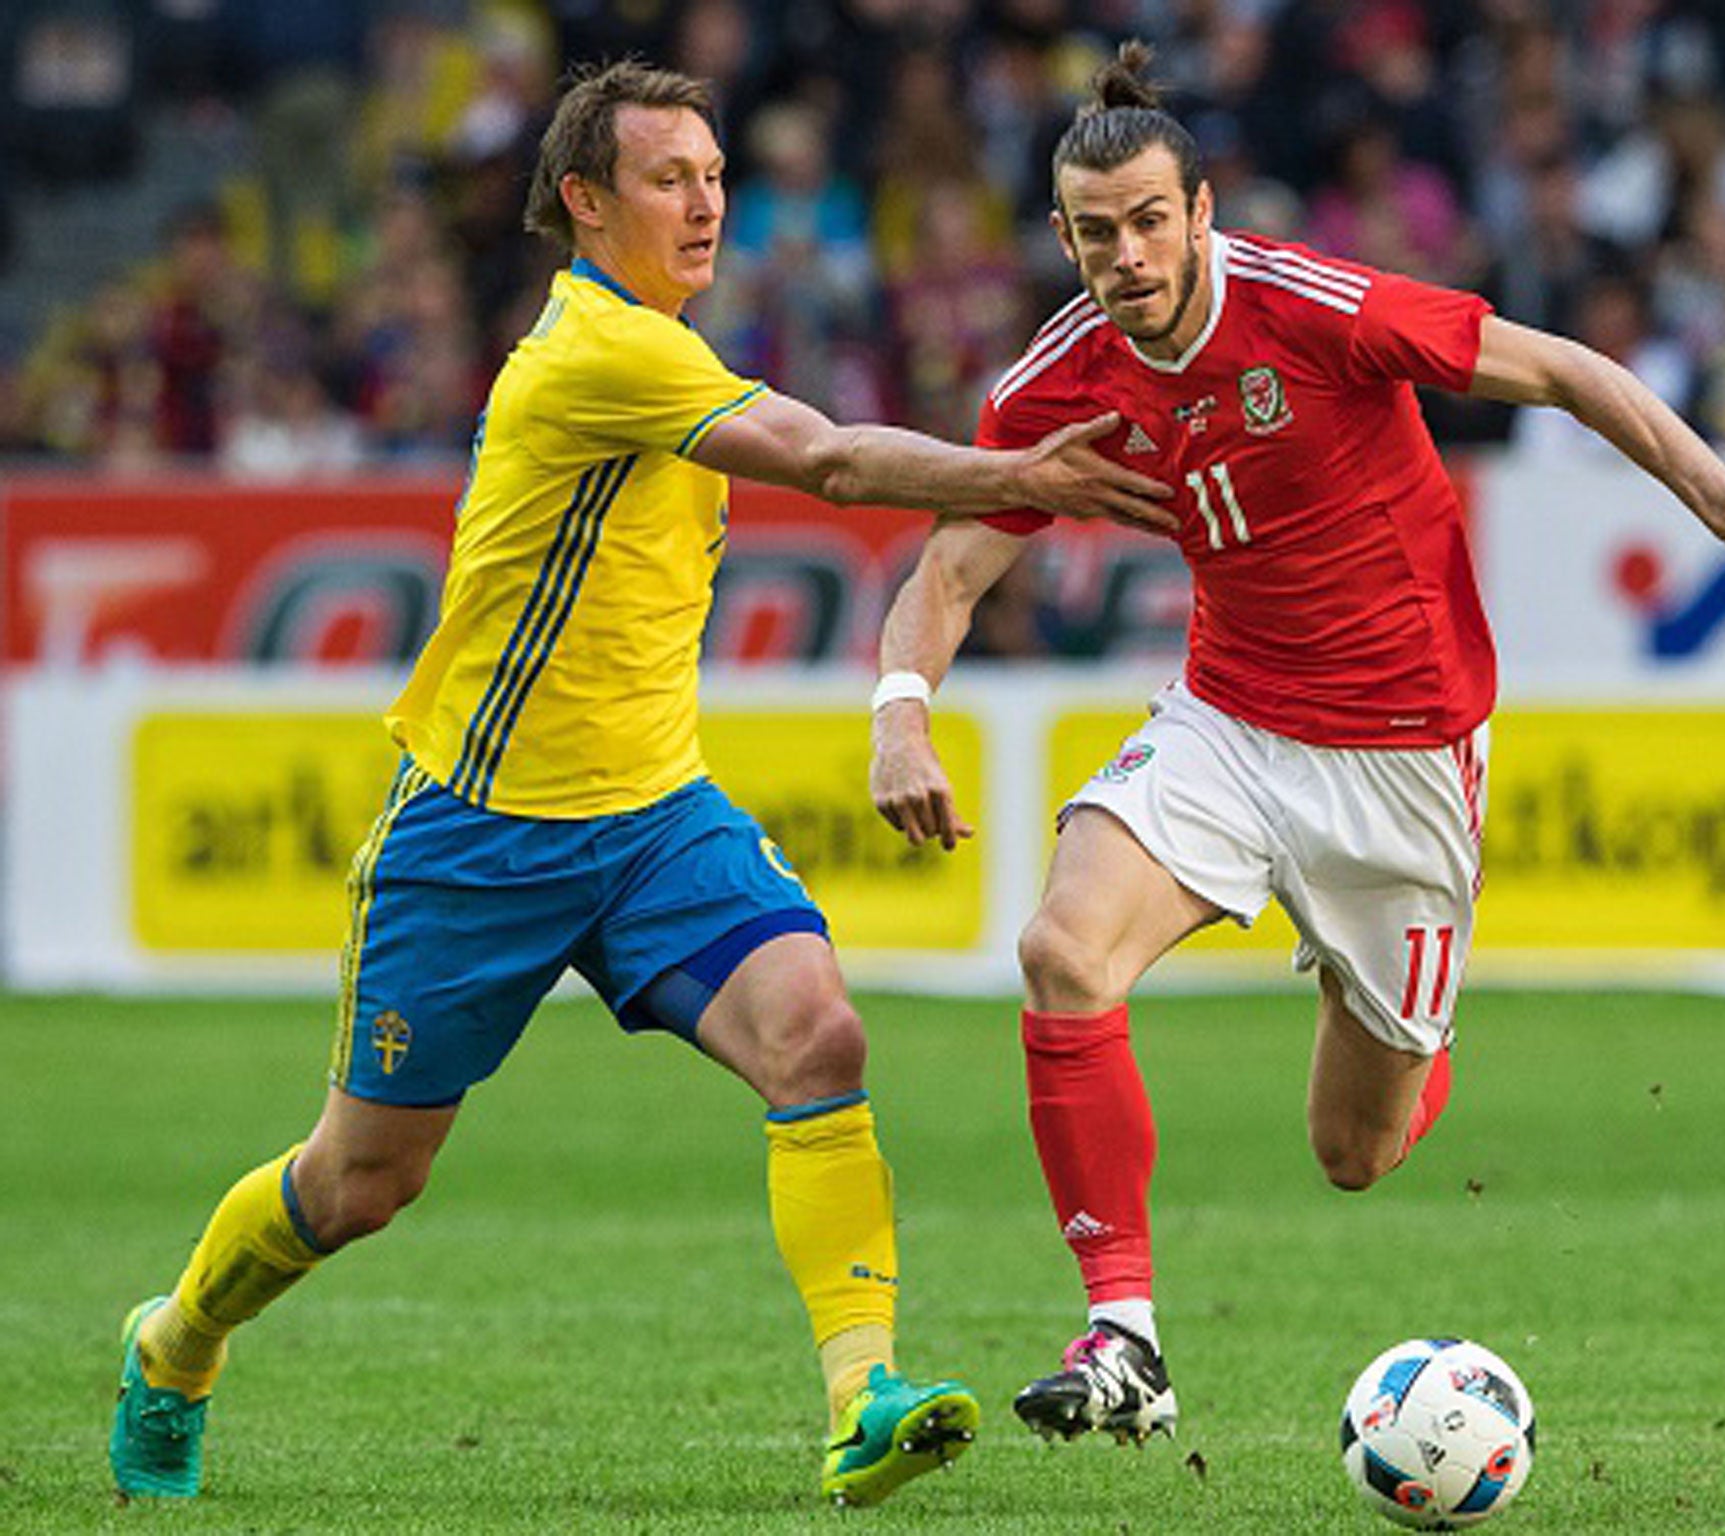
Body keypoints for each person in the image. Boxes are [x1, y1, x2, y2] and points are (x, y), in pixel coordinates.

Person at [108, 59, 1170, 1510]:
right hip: (480, 833)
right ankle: (175, 1345)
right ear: (582, 202)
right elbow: (835, 460)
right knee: (363, 1182)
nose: (708, 202)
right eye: (672, 179)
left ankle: (864, 1399)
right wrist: (1017, 478)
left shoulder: (668, 347)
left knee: (819, 1037)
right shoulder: (597, 353)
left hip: (654, 817)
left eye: (717, 175)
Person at [868, 42, 1725, 1446]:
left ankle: (1409, 1003)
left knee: (1356, 1152)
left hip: (1404, 755)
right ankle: (1126, 1335)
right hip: (1224, 719)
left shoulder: (1318, 309)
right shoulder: (1064, 378)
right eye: (1096, 233)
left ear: (1203, 211)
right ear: (1065, 236)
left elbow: (1569, 371)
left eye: (1152, 221)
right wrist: (899, 715)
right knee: (1059, 953)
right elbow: (949, 571)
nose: (1127, 254)